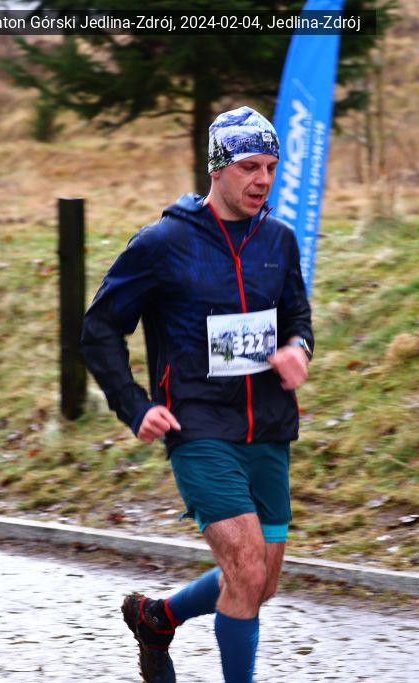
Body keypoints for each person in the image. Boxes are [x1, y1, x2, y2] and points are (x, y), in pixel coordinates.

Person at [81, 106, 314, 683]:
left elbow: (297, 318)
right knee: (245, 568)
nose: (262, 180)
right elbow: (100, 328)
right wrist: (134, 405)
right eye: (249, 167)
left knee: (261, 582)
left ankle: (158, 619)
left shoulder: (279, 241)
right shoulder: (163, 244)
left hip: (269, 426)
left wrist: (298, 349)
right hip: (199, 428)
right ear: (216, 169)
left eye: (270, 168)